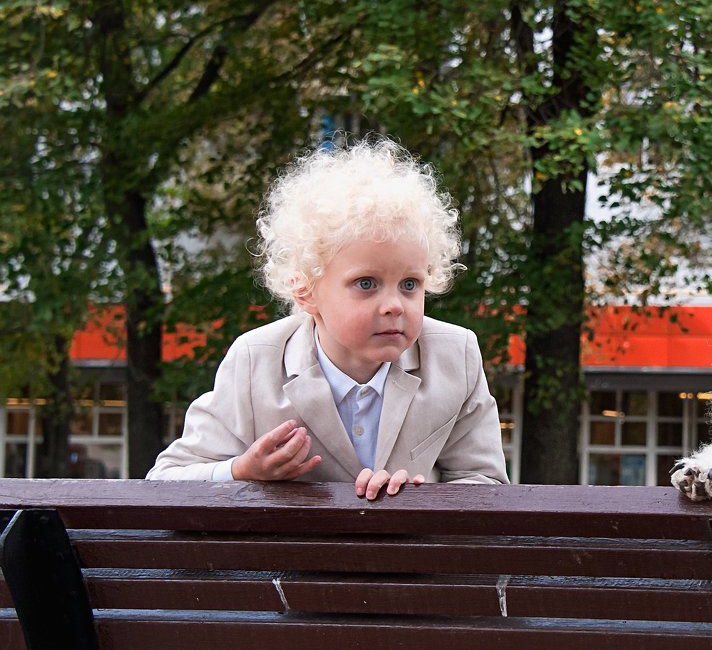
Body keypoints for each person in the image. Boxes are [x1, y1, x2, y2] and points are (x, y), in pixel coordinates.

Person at [147, 138, 509, 499]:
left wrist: (423, 499)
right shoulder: (256, 360)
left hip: (405, 554)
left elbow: (486, 484)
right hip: (296, 555)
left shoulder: (454, 356)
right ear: (306, 290)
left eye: (410, 284)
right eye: (366, 283)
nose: (394, 305)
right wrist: (241, 470)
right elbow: (165, 480)